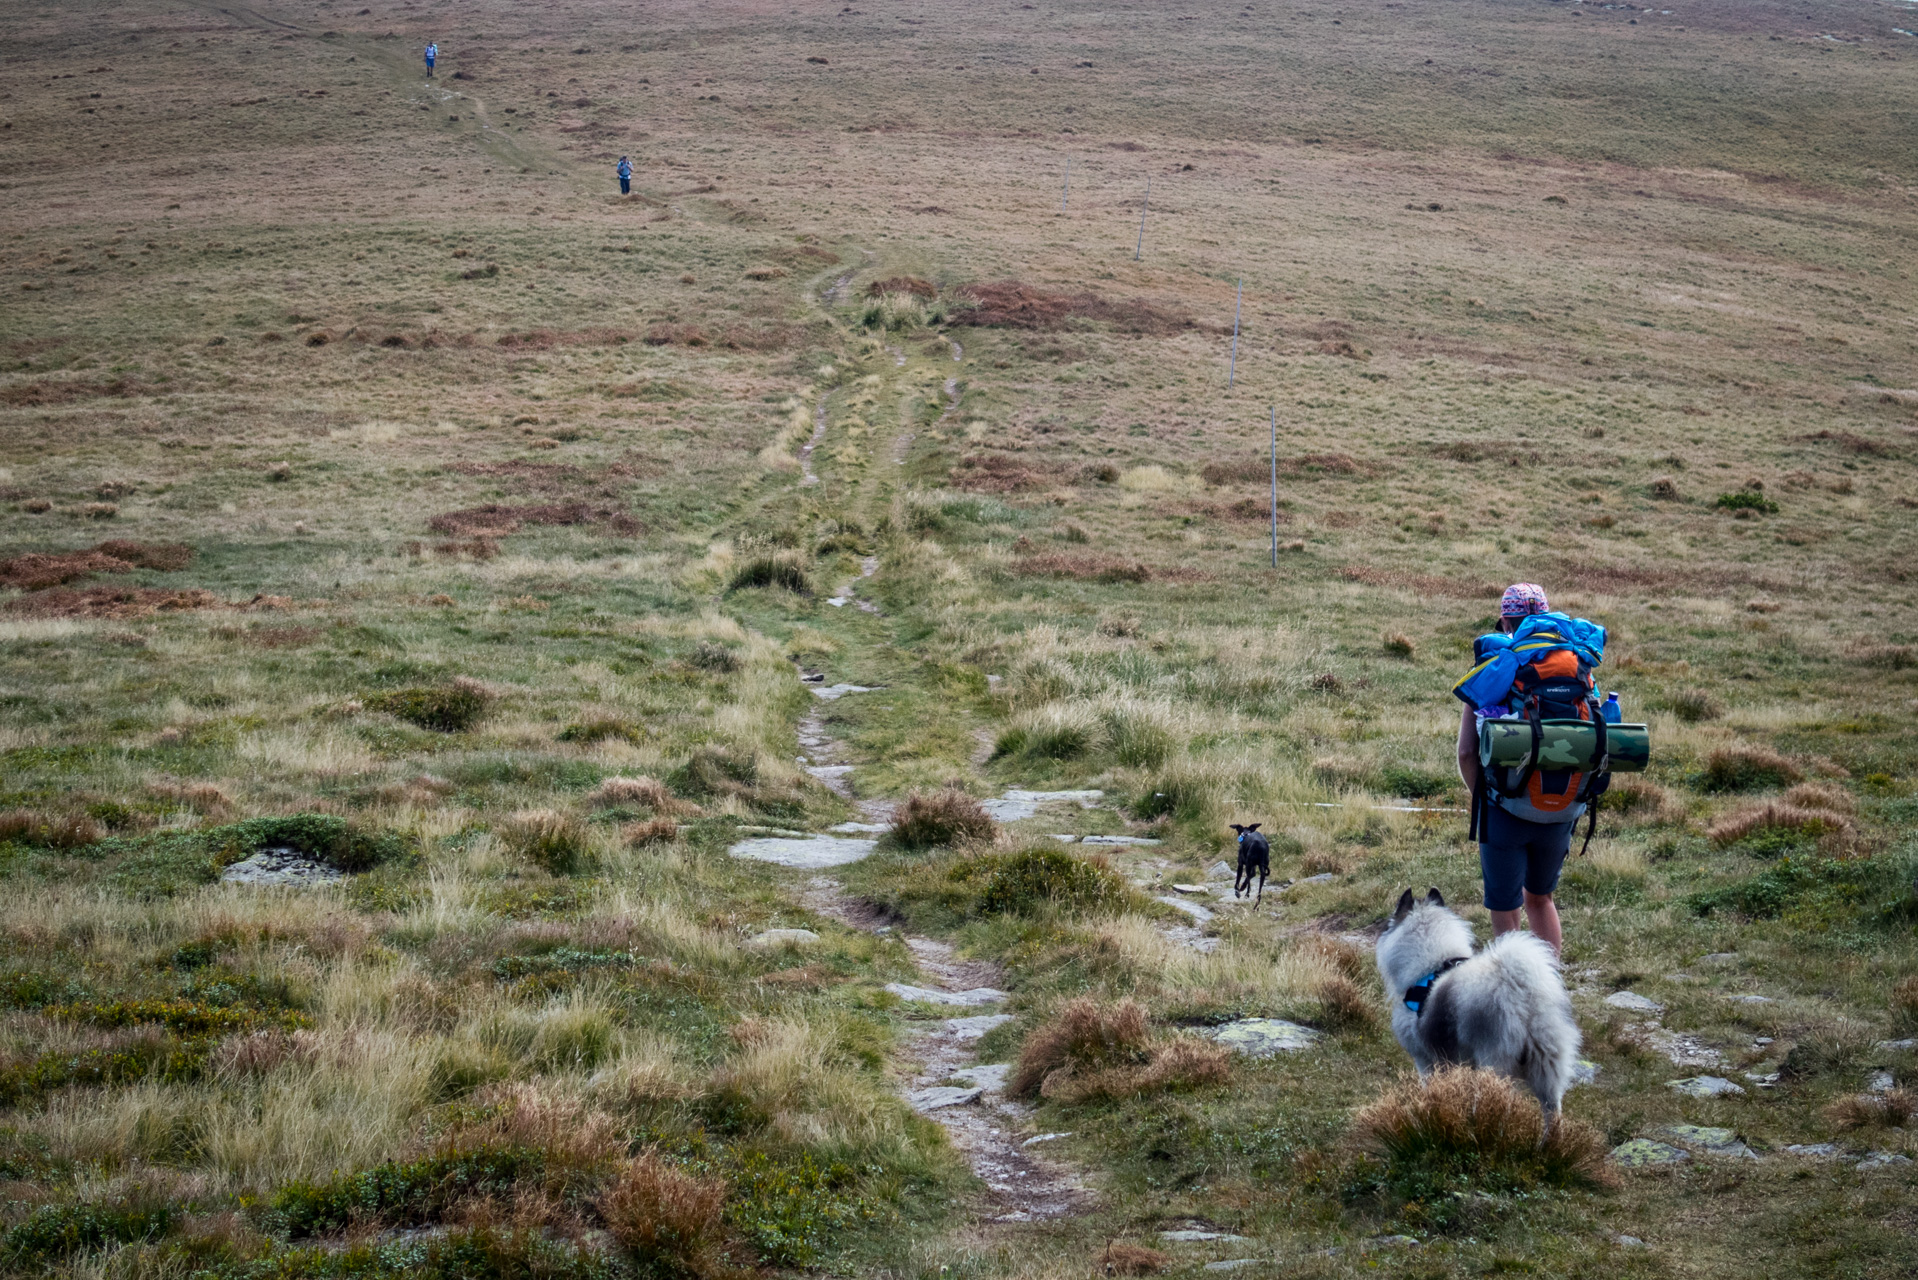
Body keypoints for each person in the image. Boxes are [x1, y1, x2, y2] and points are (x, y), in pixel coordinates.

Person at [1455, 582, 1575, 953]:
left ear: (1506, 618)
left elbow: (1465, 752)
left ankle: (1515, 993)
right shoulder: (1575, 665)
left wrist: (1484, 800)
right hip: (1562, 803)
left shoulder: (1493, 667)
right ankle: (1548, 992)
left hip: (1504, 805)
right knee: (1542, 898)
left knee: (1505, 907)